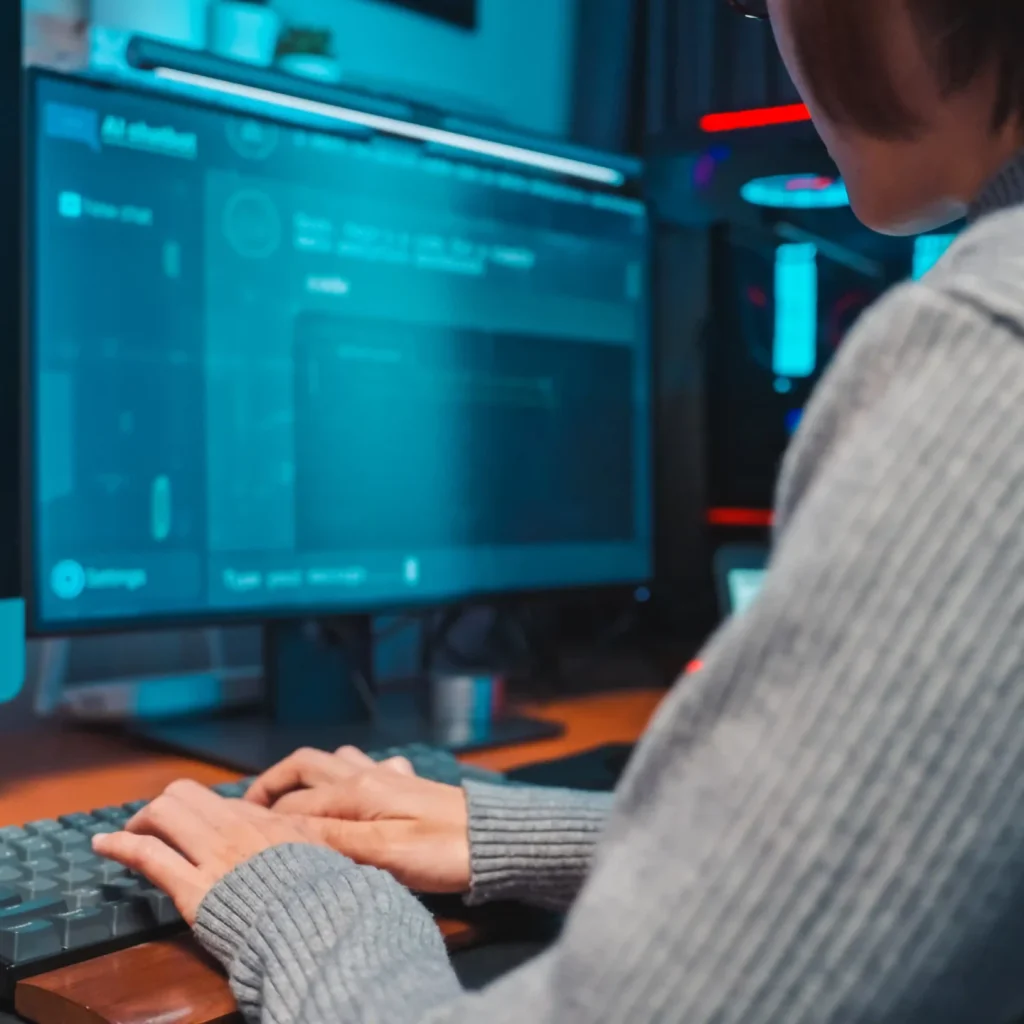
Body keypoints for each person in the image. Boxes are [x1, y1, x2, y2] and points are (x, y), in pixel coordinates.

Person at [95, 0, 1024, 1019]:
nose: (768, 30)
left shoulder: (986, 353)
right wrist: (500, 830)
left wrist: (285, 886)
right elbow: (907, 855)